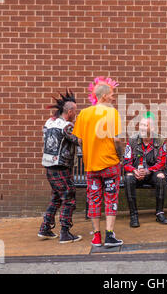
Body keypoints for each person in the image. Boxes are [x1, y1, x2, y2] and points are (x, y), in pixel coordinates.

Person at [73, 76, 124, 247]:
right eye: (111, 94)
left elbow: (79, 140)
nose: (113, 97)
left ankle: (96, 236)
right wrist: (121, 156)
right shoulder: (112, 113)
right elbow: (117, 140)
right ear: (103, 96)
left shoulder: (84, 114)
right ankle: (110, 235)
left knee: (93, 200)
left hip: (91, 166)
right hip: (110, 163)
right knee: (111, 198)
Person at [38, 90, 83, 243]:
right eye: (75, 111)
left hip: (49, 166)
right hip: (61, 167)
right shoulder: (67, 126)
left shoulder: (49, 122)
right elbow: (79, 141)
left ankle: (45, 228)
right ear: (69, 111)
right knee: (69, 197)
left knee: (57, 197)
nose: (75, 114)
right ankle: (65, 232)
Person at [123, 112, 167, 227]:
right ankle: (133, 215)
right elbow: (126, 162)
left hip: (153, 172)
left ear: (152, 128)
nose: (142, 127)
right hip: (137, 172)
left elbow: (161, 163)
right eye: (141, 125)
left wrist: (148, 170)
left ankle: (159, 213)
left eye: (145, 125)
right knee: (128, 178)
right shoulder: (132, 140)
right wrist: (134, 171)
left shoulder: (160, 141)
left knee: (161, 177)